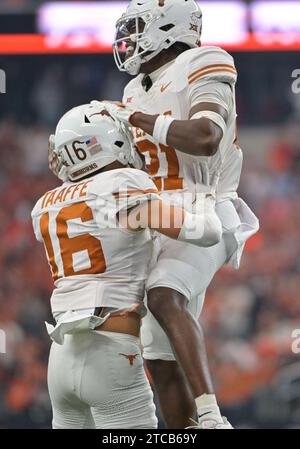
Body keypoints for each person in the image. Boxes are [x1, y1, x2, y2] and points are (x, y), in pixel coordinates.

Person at [101, 0, 260, 429]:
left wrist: (133, 118)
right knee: (156, 350)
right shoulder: (135, 88)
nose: (128, 39)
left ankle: (211, 416)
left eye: (136, 28)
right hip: (161, 216)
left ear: (168, 28)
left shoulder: (204, 60)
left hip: (208, 206)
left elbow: (207, 137)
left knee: (163, 293)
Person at [32, 100, 222, 429]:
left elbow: (87, 209)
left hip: (60, 358)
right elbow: (205, 233)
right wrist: (204, 197)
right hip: (112, 353)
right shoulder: (123, 185)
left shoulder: (44, 205)